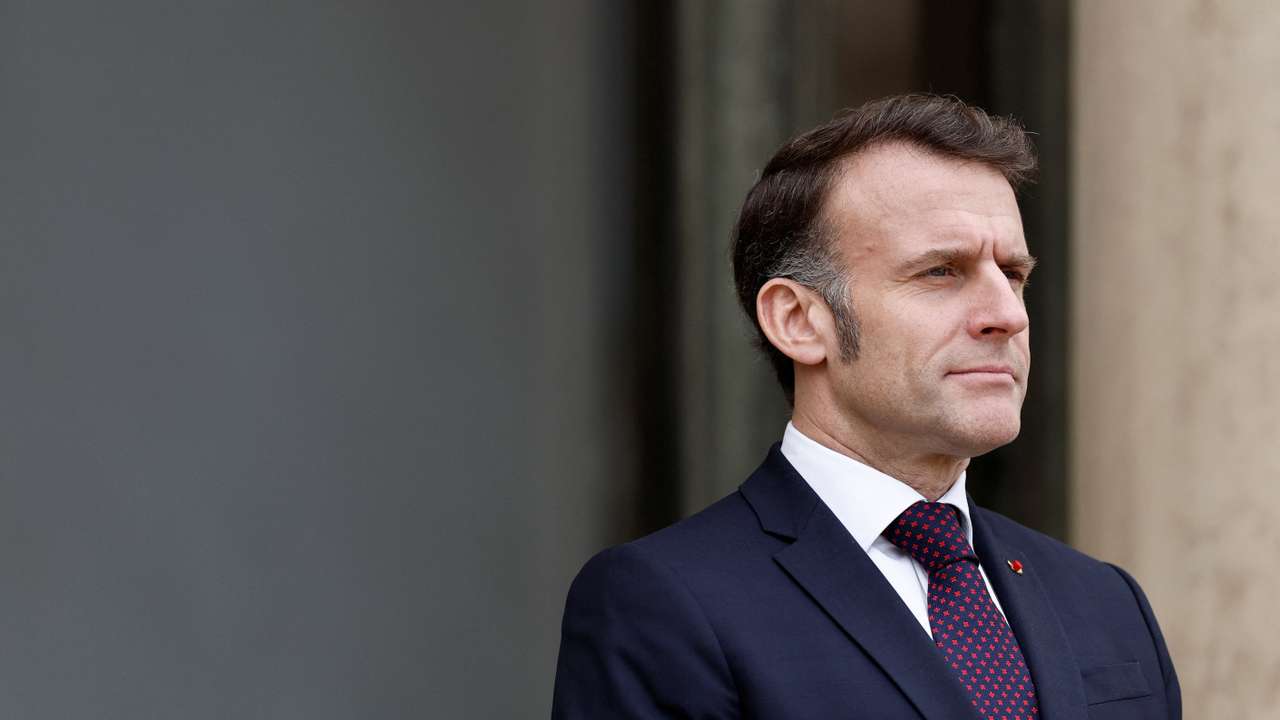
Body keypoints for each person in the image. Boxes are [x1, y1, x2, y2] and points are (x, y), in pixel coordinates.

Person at [551, 94, 1180, 719]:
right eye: (941, 272)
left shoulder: (1104, 600)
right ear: (798, 321)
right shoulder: (663, 603)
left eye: (1012, 274)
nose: (1008, 315)